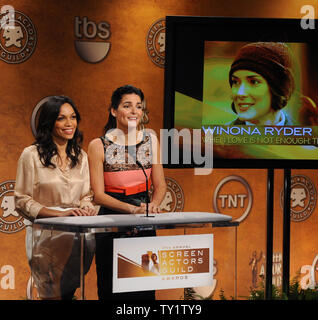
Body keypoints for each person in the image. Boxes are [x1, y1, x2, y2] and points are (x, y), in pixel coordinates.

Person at [88, 84, 166, 300]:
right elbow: (98, 195)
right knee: (111, 288)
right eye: (127, 106)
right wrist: (131, 210)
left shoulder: (151, 140)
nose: (134, 112)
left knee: (145, 290)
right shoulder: (98, 145)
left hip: (145, 222)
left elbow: (160, 185)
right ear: (114, 111)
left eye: (139, 107)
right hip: (111, 222)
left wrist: (154, 205)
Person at [14, 95, 97, 300]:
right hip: (46, 233)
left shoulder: (82, 156)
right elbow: (22, 199)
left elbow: (87, 195)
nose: (69, 124)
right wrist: (57, 214)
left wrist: (86, 207)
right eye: (61, 118)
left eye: (73, 117)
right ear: (49, 122)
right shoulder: (31, 155)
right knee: (50, 292)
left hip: (78, 235)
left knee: (69, 292)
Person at [228, 42, 296, 126]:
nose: (240, 93)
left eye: (254, 82)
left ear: (279, 88)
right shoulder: (214, 137)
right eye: (235, 82)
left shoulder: (308, 136)